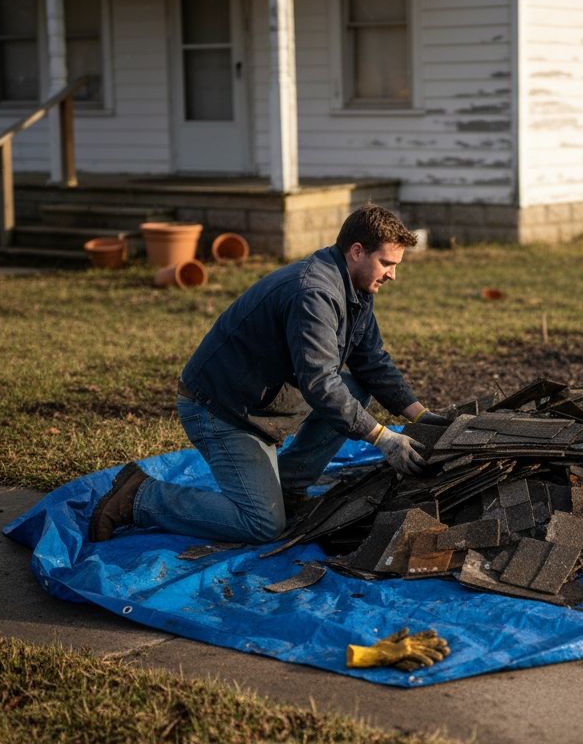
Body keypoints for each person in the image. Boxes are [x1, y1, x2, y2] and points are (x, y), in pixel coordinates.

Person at [89, 203, 447, 544]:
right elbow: (320, 384)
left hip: (261, 404)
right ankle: (140, 496)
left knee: (354, 390)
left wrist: (422, 417)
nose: (393, 274)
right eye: (387, 262)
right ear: (357, 251)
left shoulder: (356, 286)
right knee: (261, 523)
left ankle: (287, 490)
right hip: (221, 410)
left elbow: (372, 360)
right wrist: (384, 438)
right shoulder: (315, 292)